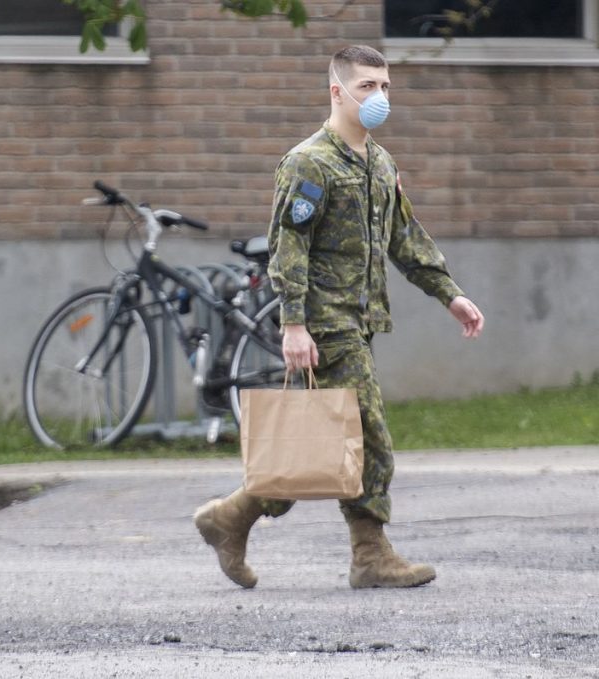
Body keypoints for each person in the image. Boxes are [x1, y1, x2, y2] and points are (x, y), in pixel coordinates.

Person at [194, 45, 485, 590]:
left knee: (323, 443)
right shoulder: (310, 162)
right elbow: (288, 250)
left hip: (361, 319)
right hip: (327, 323)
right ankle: (370, 554)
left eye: (386, 86)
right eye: (368, 86)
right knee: (369, 435)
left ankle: (230, 517)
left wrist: (449, 294)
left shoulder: (380, 163)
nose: (379, 97)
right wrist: (295, 324)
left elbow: (405, 240)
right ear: (338, 91)